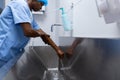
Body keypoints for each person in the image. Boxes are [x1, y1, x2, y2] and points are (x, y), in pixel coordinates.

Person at [0, 0, 64, 79]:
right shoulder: (20, 5)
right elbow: (28, 32)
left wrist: (57, 50)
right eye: (41, 4)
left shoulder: (29, 15)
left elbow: (42, 33)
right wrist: (40, 34)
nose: (41, 8)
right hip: (3, 49)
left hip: (10, 52)